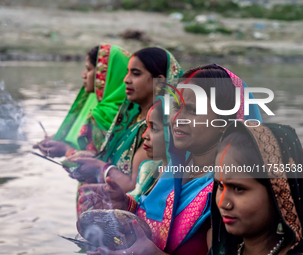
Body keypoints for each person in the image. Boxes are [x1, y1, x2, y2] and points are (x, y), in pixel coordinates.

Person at [78, 64, 263, 255]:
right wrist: (126, 207)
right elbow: (158, 226)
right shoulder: (173, 173)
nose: (176, 119)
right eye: (176, 106)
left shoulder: (229, 191)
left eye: (191, 110)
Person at [71, 47, 183, 193]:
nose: (126, 80)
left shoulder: (160, 129)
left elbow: (136, 186)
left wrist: (99, 167)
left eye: (135, 74)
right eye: (127, 72)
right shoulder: (130, 119)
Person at [211, 121, 303, 255]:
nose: (223, 203)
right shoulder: (222, 251)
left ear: (278, 192)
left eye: (238, 189)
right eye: (220, 186)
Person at [34, 44, 130, 157]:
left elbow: (98, 163)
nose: (83, 75)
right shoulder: (131, 108)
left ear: (104, 75)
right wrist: (57, 139)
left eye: (89, 69)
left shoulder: (105, 115)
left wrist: (66, 151)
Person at [128, 97, 170, 201]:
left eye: (154, 128)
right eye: (147, 127)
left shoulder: (182, 180)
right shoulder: (148, 169)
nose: (144, 135)